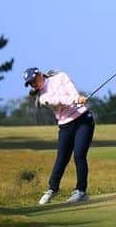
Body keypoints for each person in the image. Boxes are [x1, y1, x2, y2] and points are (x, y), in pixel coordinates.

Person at [23, 66, 95, 205]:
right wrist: (75, 100)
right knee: (62, 158)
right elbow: (59, 100)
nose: (33, 84)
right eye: (30, 83)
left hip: (83, 120)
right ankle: (52, 189)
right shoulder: (43, 98)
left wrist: (77, 98)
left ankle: (81, 191)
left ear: (39, 74)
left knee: (79, 155)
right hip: (65, 126)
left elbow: (72, 91)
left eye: (33, 80)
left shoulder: (61, 76)